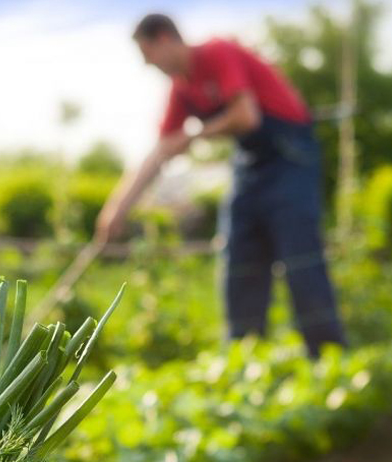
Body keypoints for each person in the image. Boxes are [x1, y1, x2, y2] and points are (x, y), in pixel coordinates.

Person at [94, 13, 346, 358]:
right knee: (239, 260)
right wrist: (116, 209)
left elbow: (247, 115)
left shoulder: (217, 53)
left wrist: (195, 133)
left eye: (147, 54)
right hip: (250, 164)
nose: (148, 64)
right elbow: (161, 150)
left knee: (300, 259)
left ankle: (330, 360)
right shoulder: (181, 90)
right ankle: (244, 363)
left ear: (165, 39)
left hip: (291, 157)